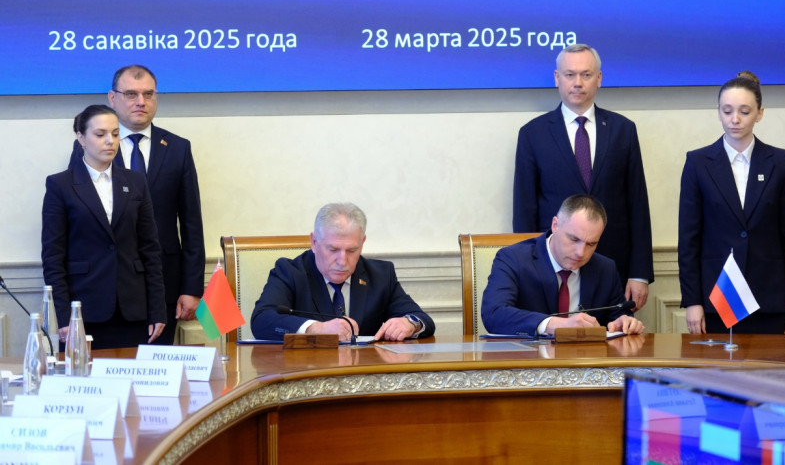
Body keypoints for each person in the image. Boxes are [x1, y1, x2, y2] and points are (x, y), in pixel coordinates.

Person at [70, 65, 205, 345]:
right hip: (105, 286)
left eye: (148, 94)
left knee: (157, 367)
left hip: (164, 286)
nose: (141, 102)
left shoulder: (178, 148)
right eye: (131, 94)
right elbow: (78, 218)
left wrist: (192, 287)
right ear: (112, 98)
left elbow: (191, 222)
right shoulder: (89, 146)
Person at [512, 43, 653, 310]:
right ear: (557, 78)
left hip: (615, 269)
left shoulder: (623, 130)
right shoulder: (533, 134)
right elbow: (525, 209)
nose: (578, 82)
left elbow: (638, 205)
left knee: (615, 336)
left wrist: (639, 273)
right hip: (551, 270)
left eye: (586, 75)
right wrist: (526, 271)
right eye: (570, 74)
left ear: (599, 78)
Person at [678, 75, 785, 335]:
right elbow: (689, 239)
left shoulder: (780, 162)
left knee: (770, 362)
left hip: (769, 297)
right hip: (717, 297)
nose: (735, 119)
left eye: (744, 111)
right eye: (727, 111)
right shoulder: (698, 163)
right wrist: (692, 301)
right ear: (718, 112)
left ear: (759, 114)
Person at [42, 105, 166, 349]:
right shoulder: (60, 185)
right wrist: (63, 317)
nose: (110, 141)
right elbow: (53, 257)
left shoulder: (135, 181)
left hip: (133, 309)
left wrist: (157, 310)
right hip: (84, 311)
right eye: (100, 134)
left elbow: (151, 250)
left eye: (115, 134)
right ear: (81, 138)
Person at [251, 203, 436, 342]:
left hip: (364, 375)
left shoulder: (380, 275)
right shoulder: (289, 272)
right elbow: (261, 320)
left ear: (362, 243)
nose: (342, 261)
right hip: (305, 373)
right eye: (333, 249)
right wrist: (315, 329)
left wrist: (410, 324)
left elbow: (422, 319)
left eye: (352, 250)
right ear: (314, 242)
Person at [482, 195, 644, 336]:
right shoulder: (513, 258)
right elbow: (494, 314)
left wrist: (624, 322)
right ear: (555, 225)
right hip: (528, 357)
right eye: (574, 239)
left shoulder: (605, 268)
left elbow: (617, 315)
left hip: (586, 359)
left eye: (591, 244)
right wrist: (555, 325)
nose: (581, 253)